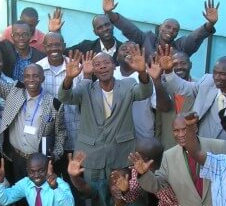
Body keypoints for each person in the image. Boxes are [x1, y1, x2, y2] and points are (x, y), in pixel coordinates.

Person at [57, 46, 154, 181]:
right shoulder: (86, 87)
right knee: (94, 192)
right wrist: (68, 78)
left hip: (121, 155)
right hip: (92, 156)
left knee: (121, 192)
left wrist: (142, 72)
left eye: (106, 63)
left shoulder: (128, 85)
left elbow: (145, 92)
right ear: (93, 70)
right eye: (97, 64)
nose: (102, 66)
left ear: (114, 66)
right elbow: (65, 98)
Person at [0, 51, 66, 181]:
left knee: (39, 193)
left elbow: (61, 133)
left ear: (42, 79)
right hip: (17, 158)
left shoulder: (54, 104)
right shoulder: (14, 92)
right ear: (23, 78)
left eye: (35, 76)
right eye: (27, 76)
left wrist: (55, 155)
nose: (31, 80)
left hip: (40, 162)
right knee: (19, 192)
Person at [162, 56, 226, 147]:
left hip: (223, 155)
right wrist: (169, 72)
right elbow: (184, 87)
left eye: (222, 74)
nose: (216, 77)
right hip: (197, 149)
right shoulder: (208, 82)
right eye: (215, 72)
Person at [102, 0, 218, 60]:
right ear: (161, 28)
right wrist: (110, 13)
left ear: (177, 34)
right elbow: (128, 28)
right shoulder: (147, 38)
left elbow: (196, 37)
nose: (171, 31)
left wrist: (210, 24)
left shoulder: (181, 46)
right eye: (168, 27)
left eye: (175, 30)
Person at [0, 0, 48, 82]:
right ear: (12, 36)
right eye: (17, 35)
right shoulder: (6, 50)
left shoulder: (40, 57)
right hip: (6, 89)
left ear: (30, 35)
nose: (21, 38)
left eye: (24, 34)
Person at [112, 42, 172, 140]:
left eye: (133, 50)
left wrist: (156, 80)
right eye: (124, 49)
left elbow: (165, 108)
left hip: (143, 139)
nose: (128, 51)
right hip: (114, 138)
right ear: (117, 57)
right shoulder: (109, 73)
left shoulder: (150, 73)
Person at [37, 33, 81, 158]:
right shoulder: (37, 69)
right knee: (50, 167)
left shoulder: (76, 68)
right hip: (48, 133)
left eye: (57, 44)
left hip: (74, 132)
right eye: (49, 45)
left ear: (64, 46)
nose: (54, 48)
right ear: (43, 47)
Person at [155, 51, 195, 148]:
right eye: (175, 64)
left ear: (190, 65)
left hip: (192, 146)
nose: (179, 67)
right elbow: (159, 121)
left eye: (183, 63)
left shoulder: (198, 88)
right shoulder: (162, 87)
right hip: (167, 145)